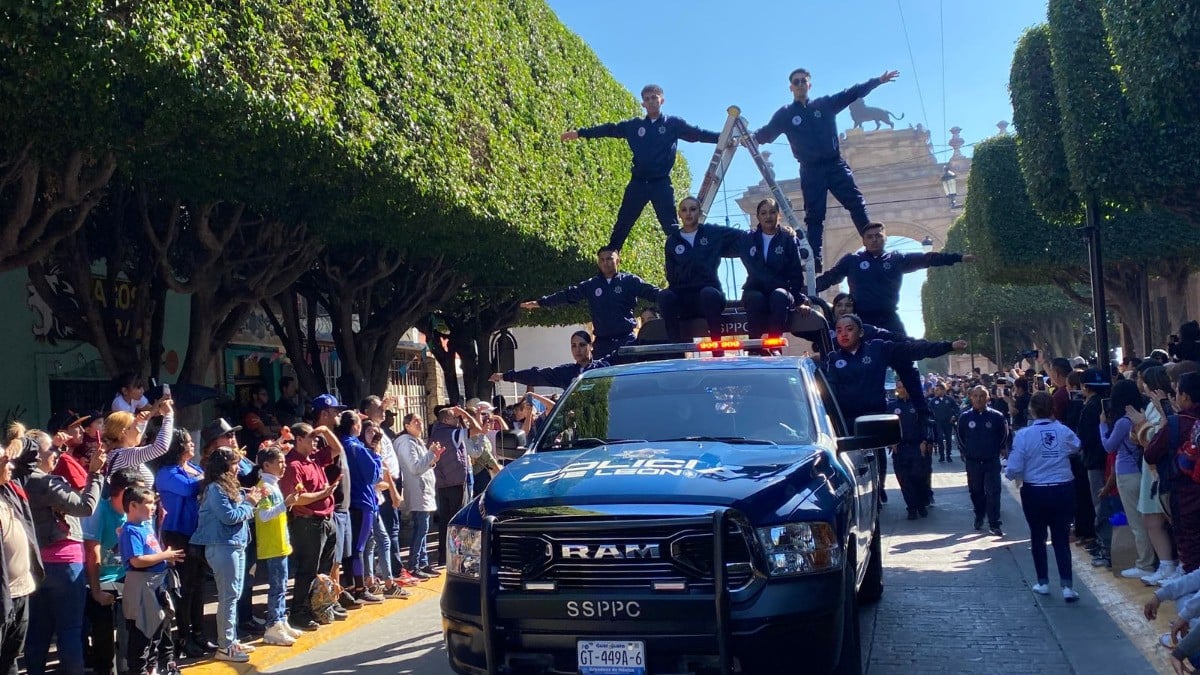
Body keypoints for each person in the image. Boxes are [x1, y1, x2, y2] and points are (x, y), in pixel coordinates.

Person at [751, 68, 899, 269]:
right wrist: (746, 138)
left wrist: (878, 81)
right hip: (811, 170)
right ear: (791, 87)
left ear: (809, 85)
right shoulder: (786, 114)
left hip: (835, 164)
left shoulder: (825, 104)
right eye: (796, 82)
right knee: (814, 216)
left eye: (803, 81)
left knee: (856, 203)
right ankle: (816, 259)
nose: (800, 84)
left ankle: (873, 246)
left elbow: (851, 93)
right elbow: (765, 134)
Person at [561, 84, 720, 250]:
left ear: (662, 101)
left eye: (654, 98)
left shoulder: (673, 124)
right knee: (623, 224)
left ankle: (684, 256)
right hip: (638, 183)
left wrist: (721, 138)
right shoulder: (634, 126)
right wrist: (580, 133)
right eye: (647, 99)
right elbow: (610, 129)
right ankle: (611, 255)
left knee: (671, 227)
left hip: (661, 183)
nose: (651, 102)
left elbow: (698, 134)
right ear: (643, 103)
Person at [22, 429, 105, 675]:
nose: (56, 454)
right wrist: (95, 473)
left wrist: (56, 445)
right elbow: (85, 506)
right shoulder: (44, 482)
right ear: (36, 455)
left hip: (35, 563)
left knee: (38, 631)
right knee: (70, 629)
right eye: (51, 449)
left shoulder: (17, 480)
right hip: (65, 562)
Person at [815, 222, 974, 336]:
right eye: (869, 237)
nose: (874, 239)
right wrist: (804, 292)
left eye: (878, 236)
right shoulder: (851, 261)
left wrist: (959, 257)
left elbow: (927, 258)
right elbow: (829, 278)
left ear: (885, 238)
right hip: (861, 320)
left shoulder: (896, 259)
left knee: (905, 360)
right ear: (863, 241)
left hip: (889, 318)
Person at [1005, 391, 1082, 602]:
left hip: (1035, 490)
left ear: (1031, 409)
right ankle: (1067, 586)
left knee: (1037, 536)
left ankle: (1043, 582)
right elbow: (1076, 446)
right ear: (1052, 409)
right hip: (1063, 488)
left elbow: (1014, 467)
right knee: (1061, 538)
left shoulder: (1023, 435)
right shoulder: (1063, 430)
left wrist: (1012, 474)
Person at [520, 247, 659, 362]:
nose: (605, 263)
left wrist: (669, 297)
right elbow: (568, 295)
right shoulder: (592, 285)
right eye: (602, 260)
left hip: (626, 340)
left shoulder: (630, 281)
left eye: (609, 259)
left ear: (618, 261)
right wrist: (541, 302)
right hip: (602, 343)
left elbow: (652, 292)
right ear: (598, 263)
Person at [189, 448, 262, 662]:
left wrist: (248, 500)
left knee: (234, 595)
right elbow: (229, 517)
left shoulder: (229, 487)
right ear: (224, 466)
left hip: (235, 544)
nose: (238, 468)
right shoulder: (215, 489)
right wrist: (250, 502)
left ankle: (231, 640)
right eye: (234, 463)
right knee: (228, 596)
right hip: (222, 546)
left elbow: (239, 514)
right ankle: (225, 646)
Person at [658, 196, 745, 351]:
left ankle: (717, 348)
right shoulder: (672, 241)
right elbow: (670, 273)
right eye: (684, 210)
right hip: (683, 297)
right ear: (679, 214)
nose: (688, 213)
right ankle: (675, 348)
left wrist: (774, 231)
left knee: (708, 293)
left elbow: (744, 236)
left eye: (693, 209)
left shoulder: (712, 233)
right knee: (665, 296)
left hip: (710, 295)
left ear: (699, 212)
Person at [153, 429, 211, 657]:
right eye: (187, 442)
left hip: (198, 532)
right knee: (184, 588)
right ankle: (184, 637)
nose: (192, 445)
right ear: (177, 447)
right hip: (177, 534)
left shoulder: (194, 468)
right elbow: (189, 488)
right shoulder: (166, 473)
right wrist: (207, 478)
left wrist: (205, 478)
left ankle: (199, 634)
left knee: (199, 585)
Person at [82, 468, 144, 675]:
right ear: (125, 492)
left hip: (126, 577)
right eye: (138, 492)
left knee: (130, 631)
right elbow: (92, 551)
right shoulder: (100, 511)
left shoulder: (135, 511)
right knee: (103, 636)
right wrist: (96, 591)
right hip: (100, 579)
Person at [279, 423, 340, 631]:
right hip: (308, 523)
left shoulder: (314, 458)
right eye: (311, 437)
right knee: (308, 569)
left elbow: (337, 449)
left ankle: (320, 606)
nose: (316, 441)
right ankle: (299, 612)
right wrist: (323, 494)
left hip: (326, 520)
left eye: (316, 437)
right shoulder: (293, 464)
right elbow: (295, 498)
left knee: (324, 569)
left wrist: (326, 431)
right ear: (298, 440)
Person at [120, 486, 185, 674]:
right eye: (148, 503)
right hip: (142, 587)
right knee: (141, 633)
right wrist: (164, 555)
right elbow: (137, 560)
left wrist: (165, 558)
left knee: (157, 631)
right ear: (133, 505)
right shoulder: (130, 530)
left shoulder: (146, 526)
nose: (153, 507)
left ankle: (154, 667)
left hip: (156, 585)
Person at [1147, 372, 1200, 573]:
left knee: (1189, 544)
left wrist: (1163, 420)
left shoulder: (1177, 423)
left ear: (1185, 396)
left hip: (1185, 493)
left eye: (1177, 391)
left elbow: (1151, 454)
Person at [1103, 378, 1156, 579]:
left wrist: (1101, 426)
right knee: (1147, 518)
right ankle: (1153, 560)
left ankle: (1145, 563)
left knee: (1136, 521)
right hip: (1141, 471)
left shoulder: (1123, 421)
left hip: (1126, 474)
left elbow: (1109, 446)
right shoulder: (1141, 416)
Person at [739, 198, 810, 343]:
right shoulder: (747, 238)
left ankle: (774, 345)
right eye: (763, 213)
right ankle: (754, 347)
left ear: (779, 215)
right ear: (758, 217)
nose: (768, 216)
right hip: (755, 289)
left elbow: (796, 272)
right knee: (754, 298)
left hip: (781, 291)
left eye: (772, 212)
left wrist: (799, 301)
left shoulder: (788, 239)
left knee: (779, 295)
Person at [0, 432, 39, 675]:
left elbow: (31, 456)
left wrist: (19, 443)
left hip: (21, 591)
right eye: (5, 462)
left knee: (11, 658)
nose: (11, 465)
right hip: (2, 597)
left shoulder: (11, 489)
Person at [254, 445, 301, 646]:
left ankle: (281, 620)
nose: (284, 466)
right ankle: (273, 625)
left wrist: (286, 503)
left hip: (280, 542)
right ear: (266, 465)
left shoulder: (273, 485)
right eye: (279, 462)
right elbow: (263, 516)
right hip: (272, 544)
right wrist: (285, 504)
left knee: (281, 586)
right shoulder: (264, 487)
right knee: (277, 587)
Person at [393, 414, 444, 580]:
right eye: (415, 421)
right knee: (421, 528)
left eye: (421, 420)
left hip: (424, 490)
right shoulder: (406, 443)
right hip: (417, 491)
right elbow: (415, 468)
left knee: (424, 528)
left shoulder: (416, 441)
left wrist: (433, 458)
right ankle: (414, 565)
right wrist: (430, 454)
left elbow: (424, 464)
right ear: (406, 425)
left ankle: (423, 562)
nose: (420, 423)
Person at [957, 385, 1009, 536]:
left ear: (988, 398)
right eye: (975, 396)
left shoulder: (997, 416)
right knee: (976, 491)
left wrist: (1000, 448)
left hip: (991, 461)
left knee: (993, 492)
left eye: (982, 396)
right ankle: (979, 515)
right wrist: (965, 451)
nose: (978, 399)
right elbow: (959, 435)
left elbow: (1004, 434)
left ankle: (994, 523)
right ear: (971, 397)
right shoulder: (965, 417)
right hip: (973, 461)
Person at [430, 406, 477, 568]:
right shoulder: (454, 433)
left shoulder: (435, 433)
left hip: (441, 483)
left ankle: (443, 556)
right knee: (458, 519)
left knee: (444, 520)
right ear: (445, 419)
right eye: (454, 417)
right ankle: (458, 556)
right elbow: (477, 429)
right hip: (456, 482)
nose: (457, 420)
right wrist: (465, 414)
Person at [490, 331, 610, 391]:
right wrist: (505, 376)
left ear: (591, 346)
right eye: (573, 345)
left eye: (582, 345)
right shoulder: (566, 372)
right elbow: (536, 376)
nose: (577, 349)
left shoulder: (603, 368)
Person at [106, 397, 175, 488]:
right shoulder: (126, 456)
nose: (139, 430)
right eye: (136, 427)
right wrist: (169, 416)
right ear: (124, 432)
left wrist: (142, 421)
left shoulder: (115, 453)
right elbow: (161, 447)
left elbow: (136, 441)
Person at [890, 380, 935, 520]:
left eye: (904, 387)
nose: (902, 390)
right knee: (904, 479)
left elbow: (928, 424)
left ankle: (921, 504)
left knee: (918, 477)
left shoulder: (919, 404)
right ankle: (911, 507)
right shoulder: (891, 406)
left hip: (917, 447)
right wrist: (890, 442)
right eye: (899, 387)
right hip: (900, 448)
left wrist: (925, 441)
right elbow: (885, 427)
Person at [929, 382, 960, 463]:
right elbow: (928, 411)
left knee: (948, 439)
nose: (936, 391)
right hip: (938, 423)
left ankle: (948, 455)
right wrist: (931, 419)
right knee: (940, 439)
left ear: (943, 390)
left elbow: (957, 409)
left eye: (938, 390)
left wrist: (955, 416)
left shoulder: (950, 399)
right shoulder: (933, 401)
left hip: (948, 422)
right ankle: (942, 456)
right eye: (935, 390)